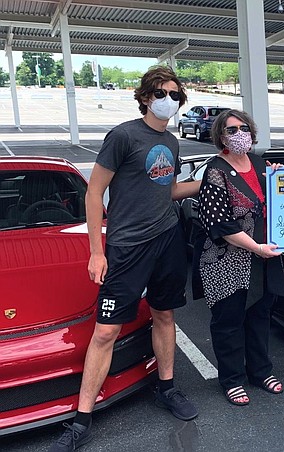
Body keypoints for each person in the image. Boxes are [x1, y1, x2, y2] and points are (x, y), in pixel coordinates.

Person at [50, 66, 200, 452]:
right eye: (164, 93)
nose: (171, 100)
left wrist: (212, 176)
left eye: (176, 95)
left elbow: (165, 191)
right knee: (105, 331)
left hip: (167, 239)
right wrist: (96, 251)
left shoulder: (171, 141)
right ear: (147, 96)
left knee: (165, 314)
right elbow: (94, 193)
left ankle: (166, 387)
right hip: (127, 246)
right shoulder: (123, 136)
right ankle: (81, 420)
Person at [192, 109, 284, 406]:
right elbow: (219, 225)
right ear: (220, 136)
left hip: (262, 261)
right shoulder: (215, 171)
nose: (238, 134)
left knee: (259, 318)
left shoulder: (260, 164)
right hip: (227, 263)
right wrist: (257, 247)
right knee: (229, 322)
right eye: (231, 130)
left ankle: (260, 371)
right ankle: (232, 379)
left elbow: (280, 204)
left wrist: (283, 179)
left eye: (243, 128)